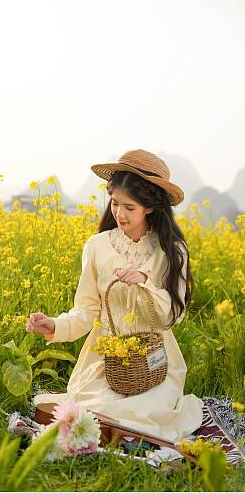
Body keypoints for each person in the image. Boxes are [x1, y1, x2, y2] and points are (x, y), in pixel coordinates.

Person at [26, 149, 203, 443]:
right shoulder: (96, 247)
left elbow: (172, 316)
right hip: (103, 360)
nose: (119, 214)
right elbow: (85, 311)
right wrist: (55, 325)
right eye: (115, 203)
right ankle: (114, 429)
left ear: (150, 207)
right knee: (97, 406)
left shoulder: (172, 251)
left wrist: (145, 282)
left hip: (153, 363)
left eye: (129, 207)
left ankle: (120, 429)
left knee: (148, 411)